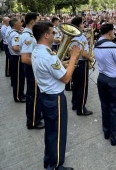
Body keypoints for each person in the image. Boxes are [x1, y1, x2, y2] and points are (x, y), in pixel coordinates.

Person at [32, 21, 79, 170]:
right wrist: (73, 58)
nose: (55, 35)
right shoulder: (48, 56)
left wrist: (64, 64)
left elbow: (51, 69)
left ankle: (49, 161)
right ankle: (55, 166)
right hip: (55, 99)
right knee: (58, 134)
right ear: (46, 35)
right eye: (53, 32)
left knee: (51, 133)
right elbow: (65, 78)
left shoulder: (37, 50)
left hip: (46, 96)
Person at [20, 13, 44, 129]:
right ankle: (33, 121)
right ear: (32, 22)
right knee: (34, 95)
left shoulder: (30, 34)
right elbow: (25, 58)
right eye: (38, 20)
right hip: (32, 69)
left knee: (34, 94)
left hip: (33, 68)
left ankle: (35, 115)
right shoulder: (27, 36)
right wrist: (40, 65)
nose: (39, 22)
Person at [70, 17, 94, 116]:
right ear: (79, 25)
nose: (84, 25)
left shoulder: (72, 35)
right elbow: (84, 53)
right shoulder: (81, 37)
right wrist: (91, 59)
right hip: (81, 63)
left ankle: (75, 104)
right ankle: (81, 109)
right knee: (83, 86)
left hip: (74, 62)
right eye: (83, 23)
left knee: (75, 84)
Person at [8, 18, 26, 102]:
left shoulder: (12, 32)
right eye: (19, 23)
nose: (21, 24)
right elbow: (15, 47)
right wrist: (25, 49)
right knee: (19, 78)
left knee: (18, 77)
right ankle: (19, 97)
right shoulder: (15, 34)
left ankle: (20, 93)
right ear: (15, 25)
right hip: (17, 57)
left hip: (14, 57)